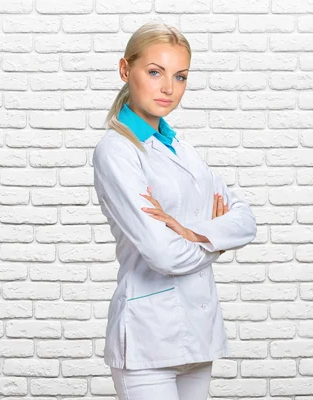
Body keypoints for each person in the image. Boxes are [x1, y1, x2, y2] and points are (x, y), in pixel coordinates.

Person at [92, 22, 257, 400]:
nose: (168, 88)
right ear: (124, 70)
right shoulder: (117, 151)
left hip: (199, 330)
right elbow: (162, 253)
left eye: (179, 76)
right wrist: (215, 238)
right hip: (148, 334)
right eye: (155, 72)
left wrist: (189, 230)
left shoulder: (182, 147)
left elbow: (245, 219)